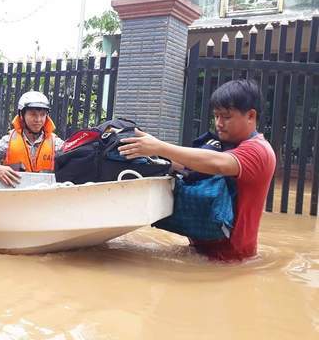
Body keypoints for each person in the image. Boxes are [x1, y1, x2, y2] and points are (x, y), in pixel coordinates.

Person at [118, 79, 276, 261]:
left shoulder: (258, 150)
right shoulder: (221, 146)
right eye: (216, 116)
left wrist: (159, 147)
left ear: (250, 116)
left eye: (226, 116)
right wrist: (145, 156)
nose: (219, 123)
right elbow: (189, 167)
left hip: (231, 261)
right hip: (199, 254)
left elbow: (219, 164)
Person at [0, 91, 64, 187]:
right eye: (33, 114)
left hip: (45, 197)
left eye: (42, 114)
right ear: (21, 115)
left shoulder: (56, 144)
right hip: (15, 195)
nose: (38, 119)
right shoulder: (8, 142)